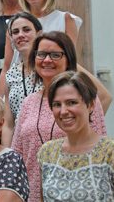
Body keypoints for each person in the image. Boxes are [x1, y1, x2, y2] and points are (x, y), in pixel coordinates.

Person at [11, 31, 108, 202]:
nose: (47, 60)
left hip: (75, 194)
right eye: (41, 54)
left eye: (55, 55)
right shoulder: (29, 103)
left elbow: (99, 150)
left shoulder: (87, 100)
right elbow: (17, 154)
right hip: (30, 194)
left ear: (68, 59)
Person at [38, 71, 114, 201]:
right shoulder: (47, 153)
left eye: (71, 102)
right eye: (57, 104)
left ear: (91, 105)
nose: (63, 111)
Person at [0, 0, 83, 97]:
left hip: (53, 93)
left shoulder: (65, 20)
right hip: (18, 94)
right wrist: (1, 102)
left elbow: (70, 64)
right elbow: (6, 68)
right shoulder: (15, 23)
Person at [1, 12, 43, 146]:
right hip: (21, 147)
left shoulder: (53, 66)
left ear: (39, 34)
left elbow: (102, 96)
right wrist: (6, 156)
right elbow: (8, 124)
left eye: (26, 29)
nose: (20, 35)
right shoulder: (11, 74)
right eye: (15, 32)